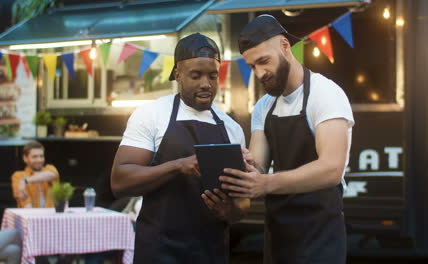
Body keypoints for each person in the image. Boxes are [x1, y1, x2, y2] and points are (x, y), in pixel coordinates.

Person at [220, 15, 354, 264]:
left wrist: (266, 183)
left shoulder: (326, 94)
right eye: (252, 66)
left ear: (284, 46)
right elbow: (258, 166)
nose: (259, 73)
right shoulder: (264, 106)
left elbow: (332, 169)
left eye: (263, 61)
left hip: (319, 234)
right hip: (278, 234)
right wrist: (246, 168)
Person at [111, 33, 250, 264]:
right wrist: (178, 166)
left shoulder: (231, 128)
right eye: (195, 76)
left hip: (211, 252)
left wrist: (230, 211)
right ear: (177, 75)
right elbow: (119, 181)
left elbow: (242, 205)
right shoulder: (152, 114)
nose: (206, 84)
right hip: (159, 251)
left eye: (213, 76)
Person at [11, 141, 59, 208]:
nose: (39, 160)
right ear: (25, 158)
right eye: (34, 157)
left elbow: (51, 175)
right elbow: (26, 204)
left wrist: (26, 181)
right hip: (31, 216)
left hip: (51, 216)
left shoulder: (49, 168)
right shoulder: (18, 176)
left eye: (41, 156)